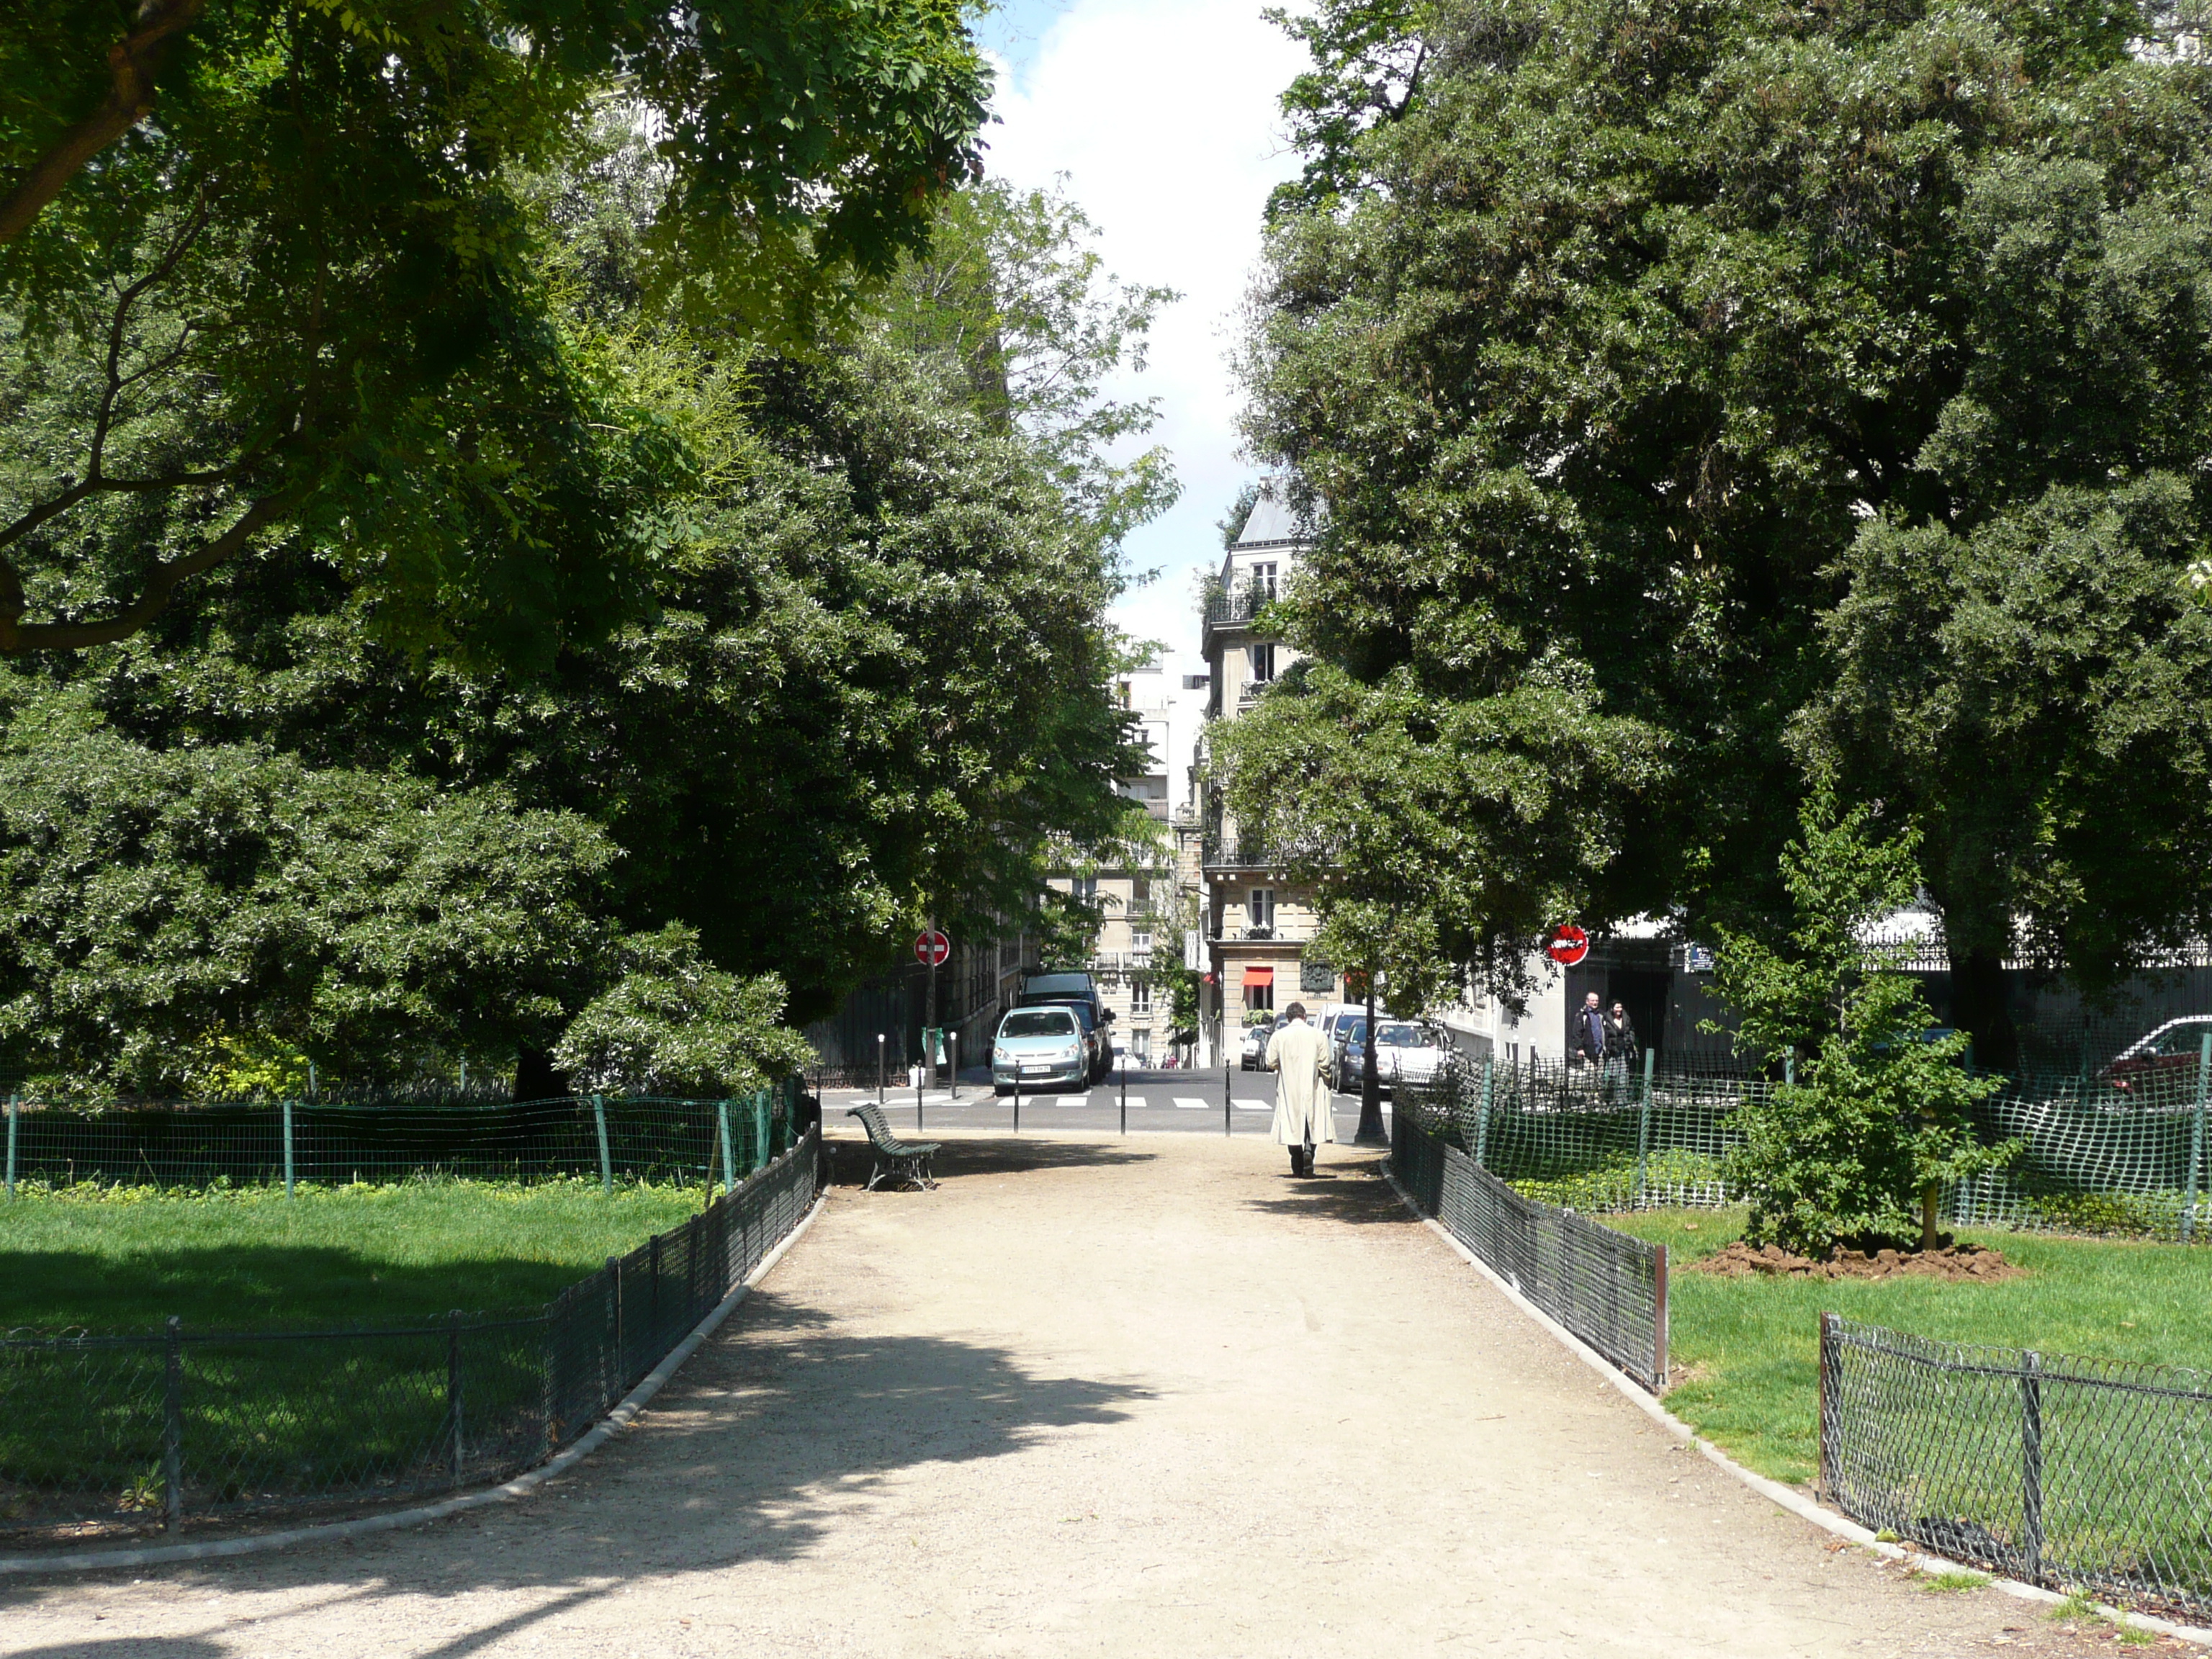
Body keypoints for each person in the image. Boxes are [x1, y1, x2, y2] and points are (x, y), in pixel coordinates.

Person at [1266, 1001, 1334, 1177]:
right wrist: (1327, 1079)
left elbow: (1271, 1062)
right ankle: (1309, 1152)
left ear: (1289, 1018)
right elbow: (1325, 1063)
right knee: (1313, 1122)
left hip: (1290, 1085)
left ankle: (1296, 1160)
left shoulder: (1279, 1036)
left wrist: (1283, 1065)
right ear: (1304, 1016)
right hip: (1313, 1084)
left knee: (1292, 1123)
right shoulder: (1319, 1035)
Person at [1602, 1000, 1638, 1100]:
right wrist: (1607, 1047)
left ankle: (1622, 1100)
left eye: (1620, 1007)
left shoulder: (1626, 1019)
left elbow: (1630, 1030)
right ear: (1612, 1009)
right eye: (1617, 1007)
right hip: (1612, 1051)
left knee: (1623, 1074)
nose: (1619, 1010)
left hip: (1624, 1050)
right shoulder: (1607, 1019)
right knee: (1613, 1075)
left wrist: (1630, 1041)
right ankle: (1611, 1098)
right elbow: (1604, 1034)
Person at [1574, 991, 1606, 1075]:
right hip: (1588, 1052)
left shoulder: (1602, 1015)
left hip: (1600, 1052)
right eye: (1592, 1001)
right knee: (1589, 1078)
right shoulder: (1582, 1015)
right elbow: (1577, 1033)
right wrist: (1579, 1048)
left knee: (1600, 1077)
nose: (1595, 1003)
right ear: (1587, 1001)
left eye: (1596, 1001)